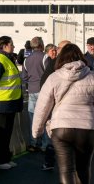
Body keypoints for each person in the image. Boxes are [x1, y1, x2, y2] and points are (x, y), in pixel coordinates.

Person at [32, 43, 94, 184]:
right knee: (83, 168)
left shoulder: (54, 77)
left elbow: (42, 107)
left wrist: (37, 131)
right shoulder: (93, 77)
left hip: (61, 127)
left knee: (66, 170)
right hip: (88, 128)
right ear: (81, 57)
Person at [0, 36, 23, 170]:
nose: (13, 47)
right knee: (0, 133)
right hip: (2, 101)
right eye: (12, 45)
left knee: (7, 132)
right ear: (5, 46)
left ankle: (5, 157)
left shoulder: (7, 59)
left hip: (10, 101)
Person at [39, 40, 70, 171]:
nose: (57, 50)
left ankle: (51, 162)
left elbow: (43, 84)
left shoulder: (55, 63)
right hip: (61, 107)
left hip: (60, 107)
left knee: (55, 136)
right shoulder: (80, 64)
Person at [21, 37, 47, 152]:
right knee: (46, 118)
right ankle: (45, 145)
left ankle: (34, 142)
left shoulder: (26, 60)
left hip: (32, 91)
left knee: (33, 118)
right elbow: (49, 73)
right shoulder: (45, 57)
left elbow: (24, 77)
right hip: (44, 91)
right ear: (41, 45)